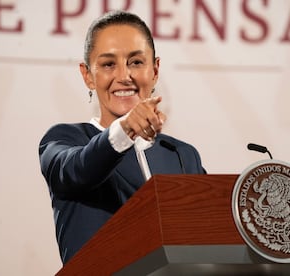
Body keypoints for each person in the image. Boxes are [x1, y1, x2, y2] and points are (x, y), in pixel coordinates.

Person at [38, 10, 206, 265]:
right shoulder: (65, 139)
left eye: (136, 62)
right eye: (108, 64)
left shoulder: (182, 155)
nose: (124, 76)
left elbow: (208, 235)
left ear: (155, 70)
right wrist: (125, 129)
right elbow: (76, 170)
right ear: (87, 75)